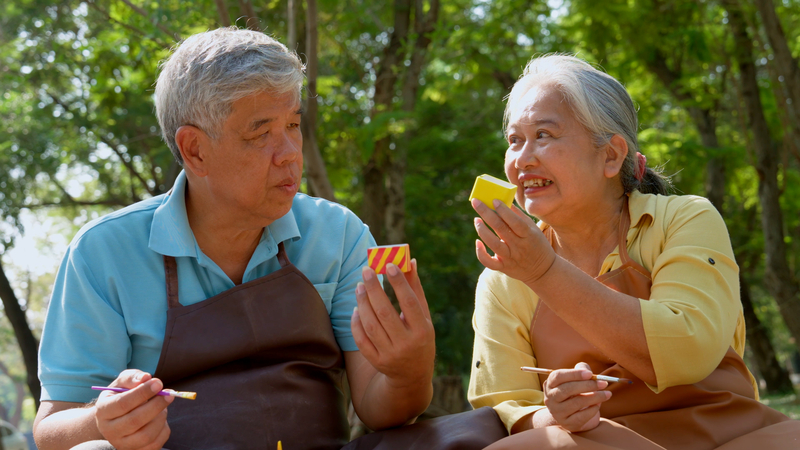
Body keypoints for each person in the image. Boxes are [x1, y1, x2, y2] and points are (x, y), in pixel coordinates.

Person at [32, 27, 437, 450]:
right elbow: (52, 428)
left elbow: (379, 410)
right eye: (260, 133)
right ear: (195, 150)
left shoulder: (340, 236)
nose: (289, 153)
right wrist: (103, 421)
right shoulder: (103, 253)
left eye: (293, 124)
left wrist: (409, 372)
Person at [467, 54, 800, 449]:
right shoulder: (503, 277)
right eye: (514, 140)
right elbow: (506, 405)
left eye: (544, 135)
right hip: (603, 441)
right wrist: (552, 411)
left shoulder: (685, 219)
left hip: (731, 434)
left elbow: (687, 348)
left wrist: (544, 272)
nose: (522, 159)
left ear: (611, 155)